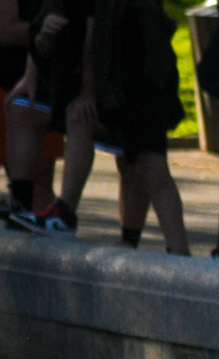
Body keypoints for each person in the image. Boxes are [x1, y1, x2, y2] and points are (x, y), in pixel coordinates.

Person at [89, 0, 190, 252]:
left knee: (151, 165)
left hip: (139, 70)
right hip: (132, 65)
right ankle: (130, 237)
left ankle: (179, 249)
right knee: (132, 162)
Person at [7, 0, 96, 234]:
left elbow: (93, 35)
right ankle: (21, 204)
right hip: (63, 76)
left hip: (104, 79)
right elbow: (39, 34)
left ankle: (65, 213)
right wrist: (29, 76)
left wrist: (88, 91)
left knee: (77, 117)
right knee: (22, 108)